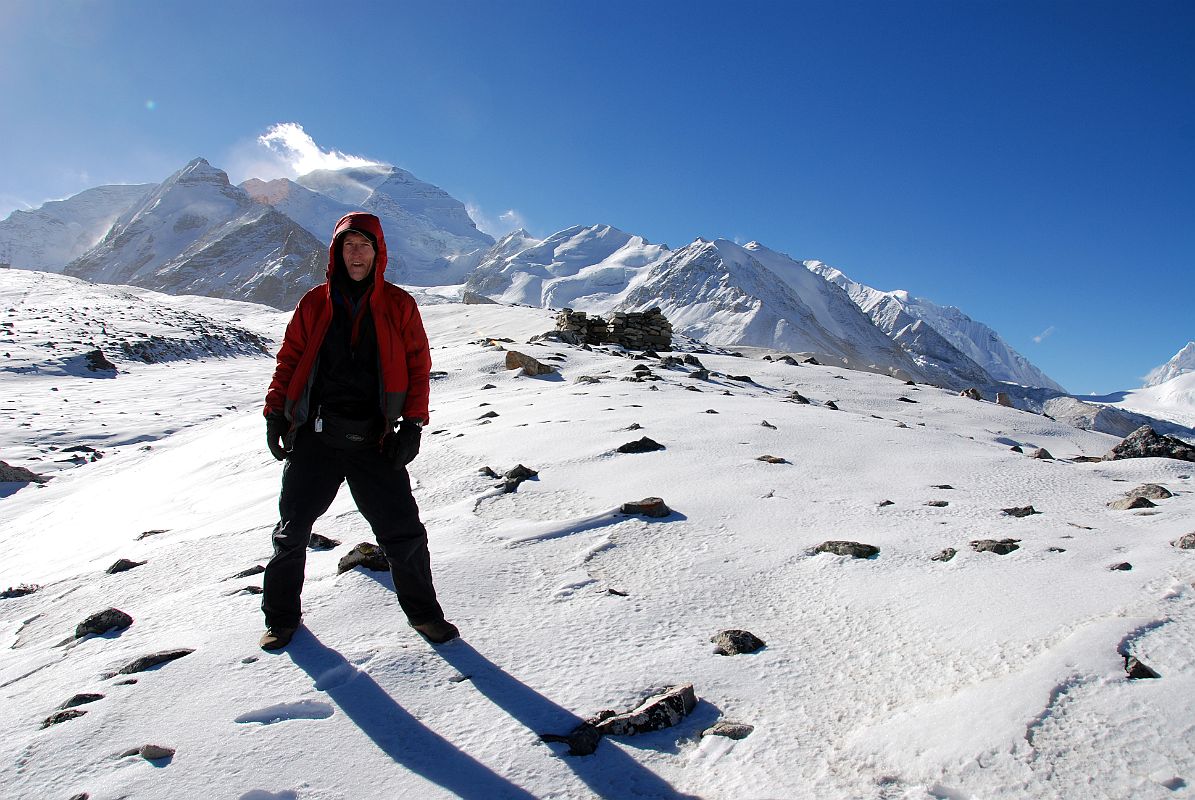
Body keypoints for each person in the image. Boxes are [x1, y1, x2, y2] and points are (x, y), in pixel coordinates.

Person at [259, 211, 458, 650]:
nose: (356, 253)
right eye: (348, 244)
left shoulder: (399, 304)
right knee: (292, 531)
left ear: (377, 252)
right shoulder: (315, 302)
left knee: (403, 531)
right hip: (316, 435)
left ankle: (425, 616)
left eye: (364, 245)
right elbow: (290, 358)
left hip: (376, 438)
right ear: (336, 250)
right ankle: (281, 620)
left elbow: (417, 367)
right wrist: (276, 413)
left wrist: (414, 423)